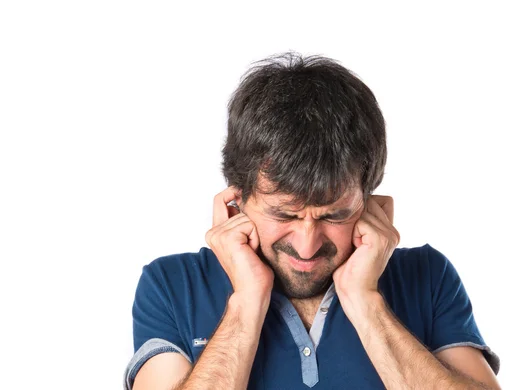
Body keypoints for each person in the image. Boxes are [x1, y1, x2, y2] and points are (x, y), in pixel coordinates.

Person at [124, 52, 501, 390]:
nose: (307, 244)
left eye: (335, 215)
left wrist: (365, 302)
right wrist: (247, 302)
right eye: (283, 214)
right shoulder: (170, 286)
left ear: (371, 204)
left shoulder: (428, 276)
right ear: (237, 199)